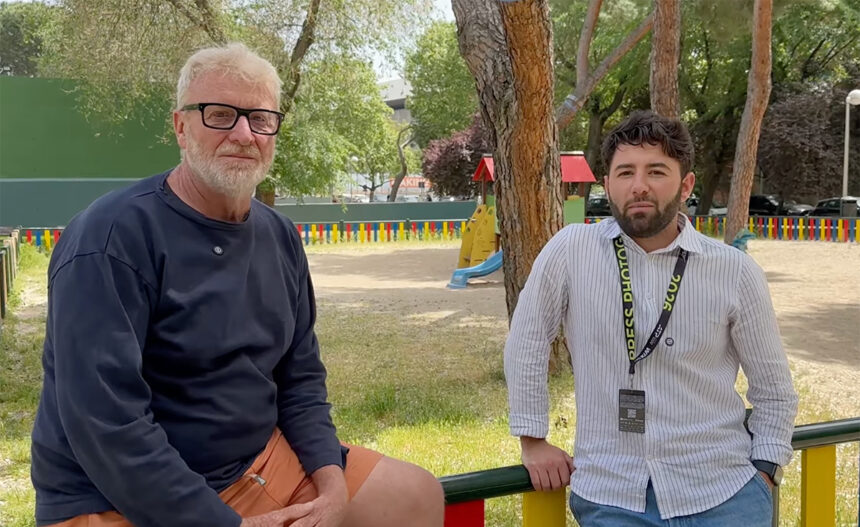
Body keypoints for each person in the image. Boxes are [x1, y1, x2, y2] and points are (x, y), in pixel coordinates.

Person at [30, 43, 444, 527]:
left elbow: (301, 378)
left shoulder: (280, 236)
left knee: (415, 495)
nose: (244, 134)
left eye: (261, 119)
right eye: (221, 114)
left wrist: (332, 486)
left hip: (257, 464)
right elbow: (106, 424)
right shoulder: (110, 239)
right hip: (114, 497)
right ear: (181, 127)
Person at [503, 110, 798, 526]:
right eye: (625, 172)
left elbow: (774, 389)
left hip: (724, 494)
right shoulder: (571, 251)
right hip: (612, 495)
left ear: (686, 184)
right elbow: (527, 344)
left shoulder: (734, 270)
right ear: (607, 185)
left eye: (656, 171)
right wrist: (532, 440)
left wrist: (766, 469)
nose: (639, 186)